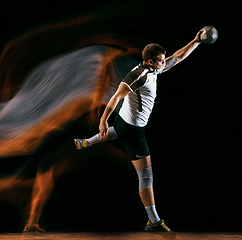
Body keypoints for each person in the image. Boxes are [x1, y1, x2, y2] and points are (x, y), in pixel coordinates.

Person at [74, 29, 204, 232]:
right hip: (133, 130)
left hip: (124, 121)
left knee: (117, 131)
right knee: (146, 176)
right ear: (150, 61)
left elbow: (177, 57)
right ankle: (154, 221)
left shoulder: (155, 69)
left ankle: (86, 142)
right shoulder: (138, 75)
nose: (164, 62)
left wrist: (196, 41)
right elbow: (117, 96)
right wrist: (102, 121)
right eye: (160, 60)